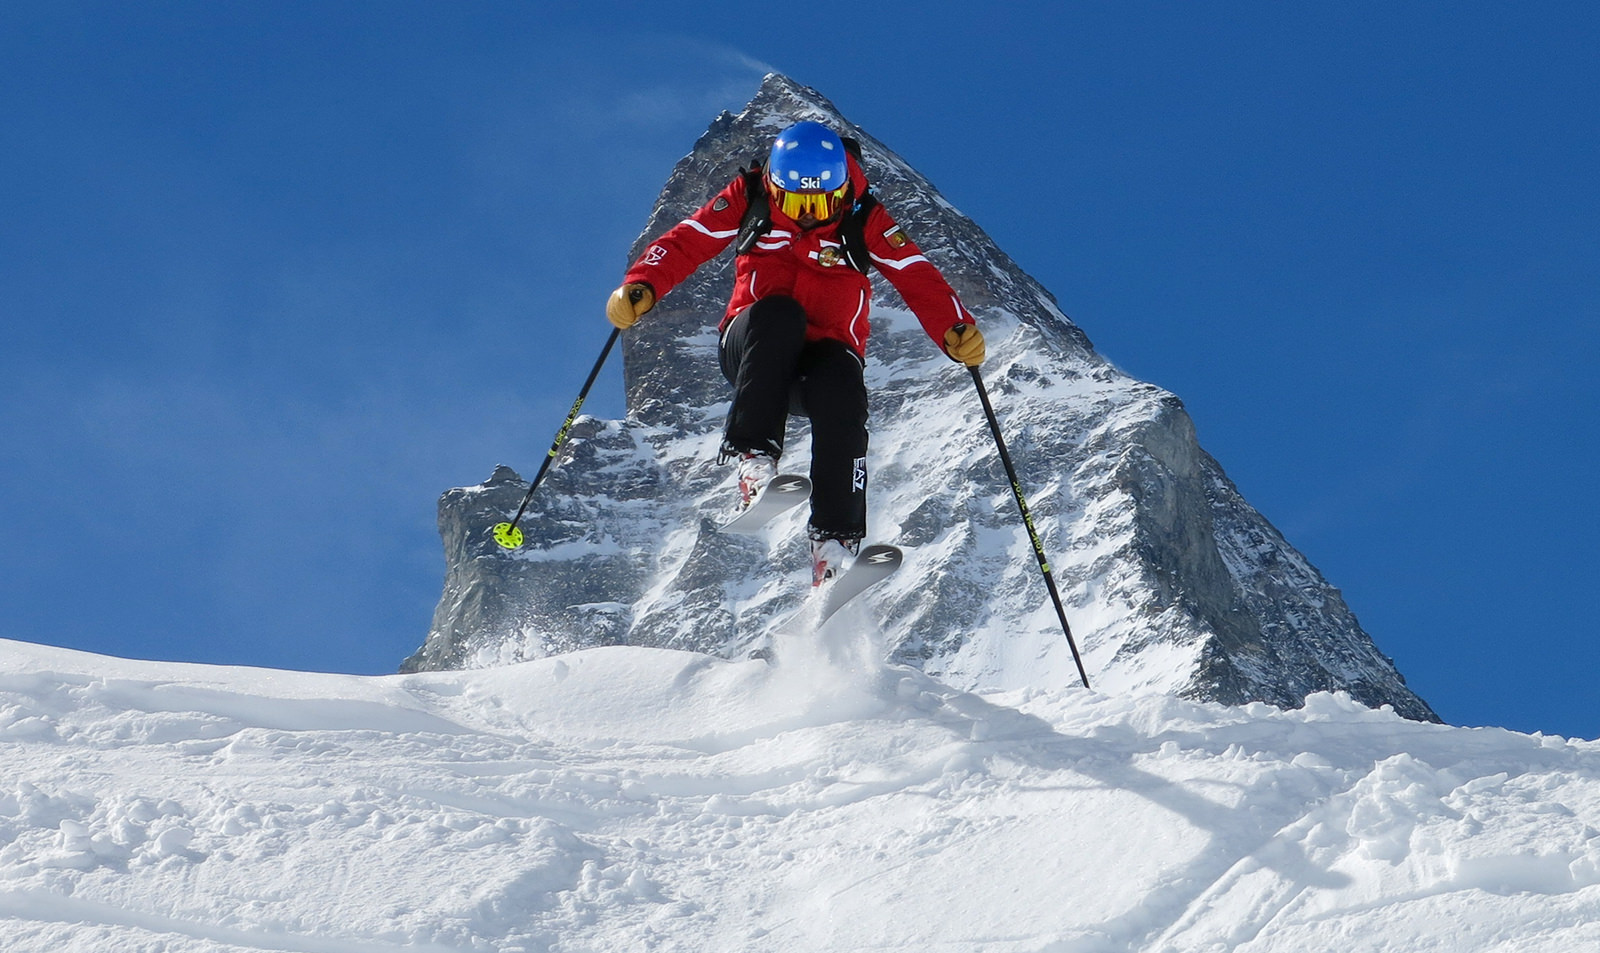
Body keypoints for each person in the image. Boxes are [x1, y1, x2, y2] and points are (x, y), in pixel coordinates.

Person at [606, 120, 986, 586]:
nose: (807, 214)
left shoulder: (862, 216)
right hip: (752, 349)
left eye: (819, 203)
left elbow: (915, 272)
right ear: (774, 186)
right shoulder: (751, 196)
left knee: (843, 382)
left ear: (841, 191)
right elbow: (689, 238)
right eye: (795, 202)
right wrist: (642, 283)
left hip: (819, 363)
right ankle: (753, 459)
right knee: (781, 313)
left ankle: (834, 546)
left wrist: (954, 326)